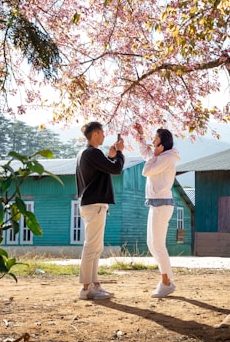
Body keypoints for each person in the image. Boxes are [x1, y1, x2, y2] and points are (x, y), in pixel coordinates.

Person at [76, 122, 125, 300]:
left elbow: (106, 168)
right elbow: (116, 169)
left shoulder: (84, 153)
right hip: (95, 204)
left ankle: (94, 285)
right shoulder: (92, 153)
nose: (104, 136)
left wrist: (111, 157)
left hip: (90, 204)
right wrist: (119, 153)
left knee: (96, 246)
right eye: (102, 133)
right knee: (92, 246)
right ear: (96, 134)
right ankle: (86, 288)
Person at [133, 122, 180, 298]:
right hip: (156, 204)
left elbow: (146, 170)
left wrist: (155, 156)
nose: (152, 142)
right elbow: (147, 154)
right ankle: (166, 281)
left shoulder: (166, 158)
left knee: (158, 245)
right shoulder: (161, 156)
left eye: (155, 139)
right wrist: (140, 135)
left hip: (161, 205)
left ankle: (167, 283)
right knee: (152, 244)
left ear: (162, 144)